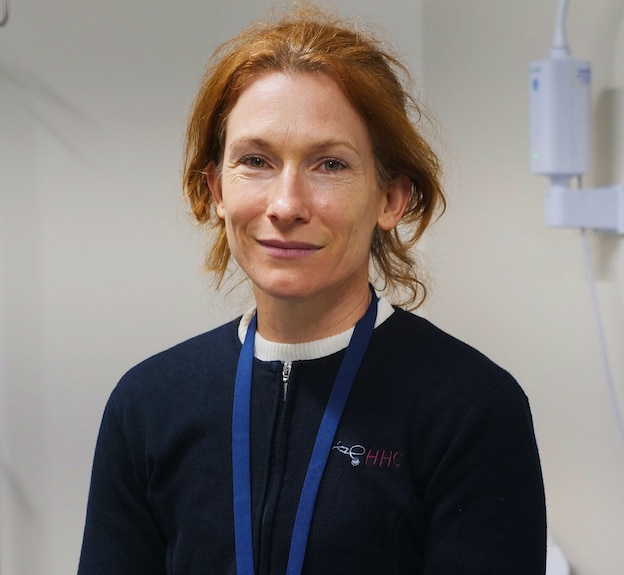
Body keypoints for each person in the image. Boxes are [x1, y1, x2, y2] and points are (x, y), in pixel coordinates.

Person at [77, 6, 546, 574]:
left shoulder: (470, 410)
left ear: (391, 199)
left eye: (329, 164)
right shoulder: (148, 405)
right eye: (255, 161)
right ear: (217, 188)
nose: (286, 205)